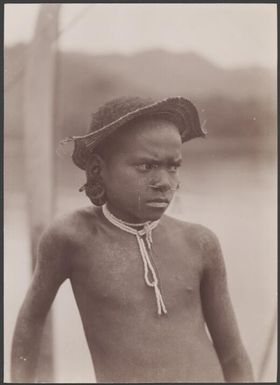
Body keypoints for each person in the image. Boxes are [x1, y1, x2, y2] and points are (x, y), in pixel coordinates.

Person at [11, 96, 254, 383]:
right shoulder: (72, 237)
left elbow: (232, 353)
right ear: (98, 170)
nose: (164, 181)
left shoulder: (200, 243)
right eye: (146, 167)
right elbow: (30, 324)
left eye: (173, 166)